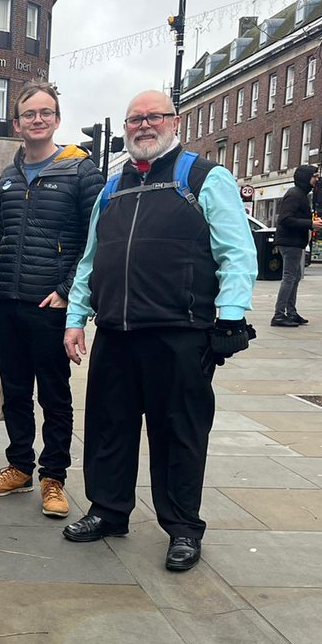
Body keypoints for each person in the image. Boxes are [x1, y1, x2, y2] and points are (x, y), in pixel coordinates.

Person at [62, 89, 257, 572]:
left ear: (175, 121)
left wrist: (231, 313)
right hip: (116, 332)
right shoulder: (112, 188)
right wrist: (75, 319)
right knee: (109, 428)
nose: (143, 126)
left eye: (153, 117)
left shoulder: (204, 178)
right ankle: (109, 510)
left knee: (179, 434)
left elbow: (237, 251)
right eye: (134, 120)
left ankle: (183, 528)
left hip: (180, 333)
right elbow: (90, 261)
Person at [0, 80, 103, 520]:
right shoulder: (9, 175)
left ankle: (54, 478)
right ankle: (18, 467)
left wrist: (68, 291)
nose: (37, 120)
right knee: (14, 390)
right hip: (7, 301)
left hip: (50, 304)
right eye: (29, 114)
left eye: (45, 112)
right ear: (16, 123)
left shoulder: (81, 172)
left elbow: (96, 239)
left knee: (53, 394)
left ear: (57, 119)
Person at [272, 165, 322, 327]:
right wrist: (310, 224)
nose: (317, 179)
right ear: (305, 177)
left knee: (294, 278)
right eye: (314, 176)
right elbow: (285, 219)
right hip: (290, 243)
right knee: (289, 278)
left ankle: (291, 312)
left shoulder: (299, 194)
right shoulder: (295, 195)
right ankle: (279, 315)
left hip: (293, 242)